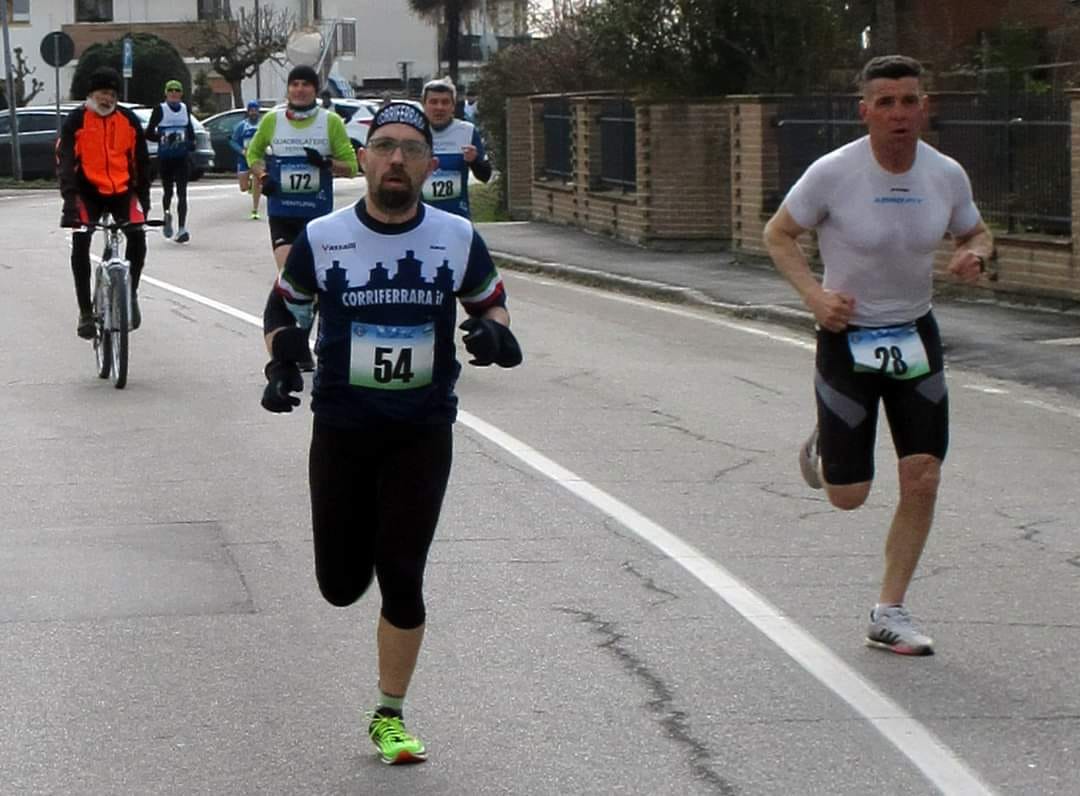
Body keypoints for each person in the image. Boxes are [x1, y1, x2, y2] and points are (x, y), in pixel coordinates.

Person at [259, 102, 522, 765]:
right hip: (343, 429)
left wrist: (494, 333)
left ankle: (389, 715)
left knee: (403, 573)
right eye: (384, 146)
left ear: (430, 165)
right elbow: (284, 309)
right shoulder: (324, 236)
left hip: (421, 430)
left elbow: (490, 302)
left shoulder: (456, 236)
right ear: (365, 158)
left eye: (411, 148)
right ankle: (358, 566)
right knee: (340, 584)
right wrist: (281, 361)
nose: (397, 159)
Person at [763, 55, 993, 657]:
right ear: (864, 111)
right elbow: (777, 234)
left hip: (914, 333)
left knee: (923, 473)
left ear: (925, 107)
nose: (899, 113)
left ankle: (889, 610)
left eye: (909, 101)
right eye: (885, 103)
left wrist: (976, 253)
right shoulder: (833, 173)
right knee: (849, 495)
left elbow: (976, 231)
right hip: (848, 336)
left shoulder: (945, 174)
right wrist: (815, 296)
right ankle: (827, 439)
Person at [58, 66, 151, 337]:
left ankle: (130, 294)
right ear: (91, 94)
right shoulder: (76, 121)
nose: (107, 99)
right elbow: (65, 162)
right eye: (102, 93)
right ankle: (86, 312)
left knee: (138, 236)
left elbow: (141, 161)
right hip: (87, 192)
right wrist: (70, 202)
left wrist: (143, 199)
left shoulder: (128, 120)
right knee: (81, 241)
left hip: (122, 191)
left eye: (112, 94)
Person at [246, 65, 358, 273]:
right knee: (288, 275)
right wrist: (263, 176)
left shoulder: (330, 122)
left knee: (315, 276)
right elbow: (253, 154)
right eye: (294, 84)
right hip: (283, 212)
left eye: (306, 84)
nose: (299, 89)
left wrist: (326, 163)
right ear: (288, 90)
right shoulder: (272, 120)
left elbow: (352, 167)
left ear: (315, 90)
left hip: (317, 214)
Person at [420, 76, 492, 219]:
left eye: (445, 102)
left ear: (453, 106)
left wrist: (474, 161)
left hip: (457, 218)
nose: (439, 107)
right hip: (420, 219)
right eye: (433, 102)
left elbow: (485, 176)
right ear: (424, 105)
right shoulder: (414, 132)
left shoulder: (467, 131)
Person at [145, 79, 195, 243]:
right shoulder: (160, 110)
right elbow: (149, 133)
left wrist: (190, 143)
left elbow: (190, 131)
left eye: (177, 90)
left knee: (182, 193)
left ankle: (182, 228)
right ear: (166, 93)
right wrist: (162, 138)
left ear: (181, 94)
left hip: (181, 158)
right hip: (166, 158)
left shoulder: (185, 109)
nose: (174, 93)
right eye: (171, 90)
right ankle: (167, 214)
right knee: (168, 192)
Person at [231, 101, 264, 220]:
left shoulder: (262, 125)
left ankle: (255, 210)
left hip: (257, 158)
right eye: (251, 111)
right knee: (243, 187)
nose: (253, 113)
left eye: (255, 110)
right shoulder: (242, 126)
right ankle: (249, 185)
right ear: (248, 112)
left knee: (257, 182)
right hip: (244, 158)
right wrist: (241, 151)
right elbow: (233, 141)